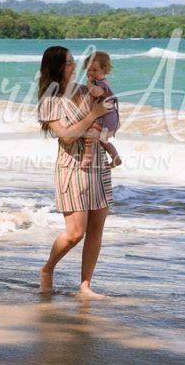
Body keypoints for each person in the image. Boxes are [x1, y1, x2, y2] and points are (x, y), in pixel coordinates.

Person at [37, 46, 114, 297]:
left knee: (96, 229)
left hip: (98, 165)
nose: (74, 66)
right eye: (69, 62)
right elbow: (67, 137)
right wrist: (94, 113)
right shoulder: (50, 101)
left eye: (73, 61)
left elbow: (107, 119)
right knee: (75, 233)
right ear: (57, 67)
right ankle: (48, 269)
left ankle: (85, 286)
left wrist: (108, 130)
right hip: (72, 167)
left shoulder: (85, 90)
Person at [80, 51, 122, 169]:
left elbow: (96, 92)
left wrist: (88, 84)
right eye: (89, 70)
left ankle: (87, 158)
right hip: (108, 117)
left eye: (95, 70)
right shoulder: (98, 81)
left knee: (90, 134)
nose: (91, 73)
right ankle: (116, 158)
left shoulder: (101, 83)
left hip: (106, 118)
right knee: (103, 141)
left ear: (104, 70)